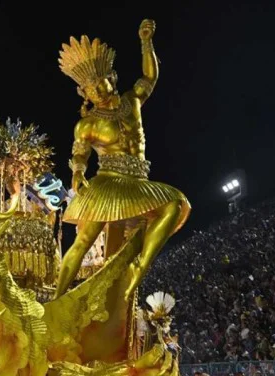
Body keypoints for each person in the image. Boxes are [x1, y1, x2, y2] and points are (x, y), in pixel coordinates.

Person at [54, 19, 190, 301]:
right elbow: (79, 153)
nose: (98, 90)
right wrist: (77, 173)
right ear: (86, 94)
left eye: (101, 83)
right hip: (107, 183)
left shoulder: (132, 101)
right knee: (85, 240)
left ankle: (142, 264)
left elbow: (150, 77)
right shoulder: (88, 124)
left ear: (112, 78)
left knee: (175, 204)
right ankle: (58, 295)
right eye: (91, 89)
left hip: (138, 181)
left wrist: (146, 42)